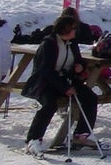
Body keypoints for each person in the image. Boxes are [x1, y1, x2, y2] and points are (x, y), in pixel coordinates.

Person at [21, 15, 97, 155]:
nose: (76, 31)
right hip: (45, 83)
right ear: (65, 29)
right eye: (73, 28)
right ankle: (33, 140)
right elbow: (45, 70)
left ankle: (82, 134)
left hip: (66, 80)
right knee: (50, 104)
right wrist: (65, 88)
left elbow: (78, 59)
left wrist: (79, 66)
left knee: (90, 97)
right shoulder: (48, 44)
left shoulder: (71, 43)